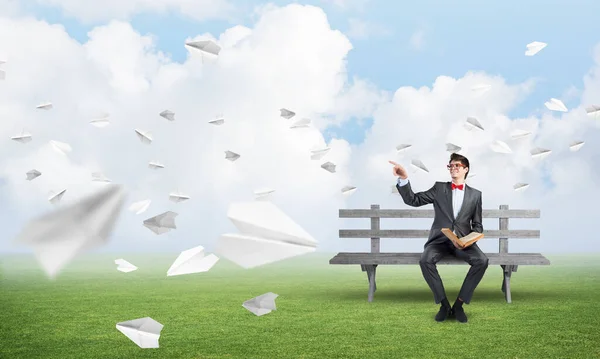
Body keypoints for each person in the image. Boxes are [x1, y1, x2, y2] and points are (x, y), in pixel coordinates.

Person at [389, 153, 488, 323]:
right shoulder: (439, 188)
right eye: (450, 165)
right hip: (439, 241)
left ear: (466, 169)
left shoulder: (476, 195)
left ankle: (459, 305)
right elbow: (413, 200)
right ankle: (444, 305)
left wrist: (468, 241)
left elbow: (477, 226)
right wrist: (404, 178)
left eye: (457, 165)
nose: (453, 168)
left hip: (463, 244)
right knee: (425, 260)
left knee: (482, 260)